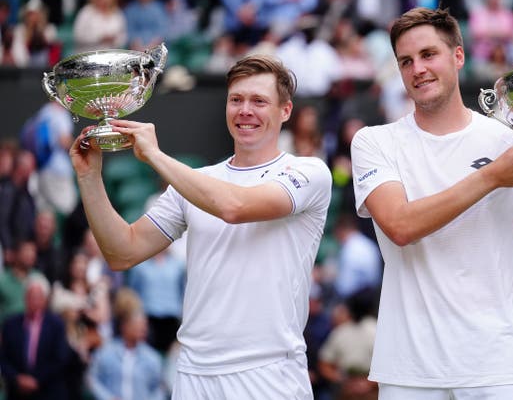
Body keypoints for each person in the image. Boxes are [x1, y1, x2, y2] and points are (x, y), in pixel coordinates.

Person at [350, 7, 513, 400]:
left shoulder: (508, 139)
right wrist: (491, 176)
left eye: (429, 54)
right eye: (406, 61)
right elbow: (399, 226)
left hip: (499, 367)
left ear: (458, 56)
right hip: (410, 371)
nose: (418, 69)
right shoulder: (374, 142)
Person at [69, 54, 332, 399]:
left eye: (259, 101)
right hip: (194, 374)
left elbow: (234, 207)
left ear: (285, 111)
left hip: (269, 374)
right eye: (236, 100)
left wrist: (156, 156)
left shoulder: (309, 173)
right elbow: (122, 251)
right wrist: (90, 178)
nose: (245, 110)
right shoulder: (198, 182)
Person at [0, 273, 71, 400]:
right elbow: (3, 359)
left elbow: (60, 358)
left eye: (38, 297)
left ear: (45, 299)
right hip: (18, 392)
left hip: (48, 391)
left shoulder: (56, 325)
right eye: (31, 297)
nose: (34, 301)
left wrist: (36, 380)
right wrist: (18, 378)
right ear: (25, 298)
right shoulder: (10, 325)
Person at [87, 309, 166, 400]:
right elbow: (92, 379)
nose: (143, 329)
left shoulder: (152, 358)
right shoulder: (105, 352)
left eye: (144, 325)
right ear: (125, 326)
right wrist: (108, 398)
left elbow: (159, 388)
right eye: (137, 325)